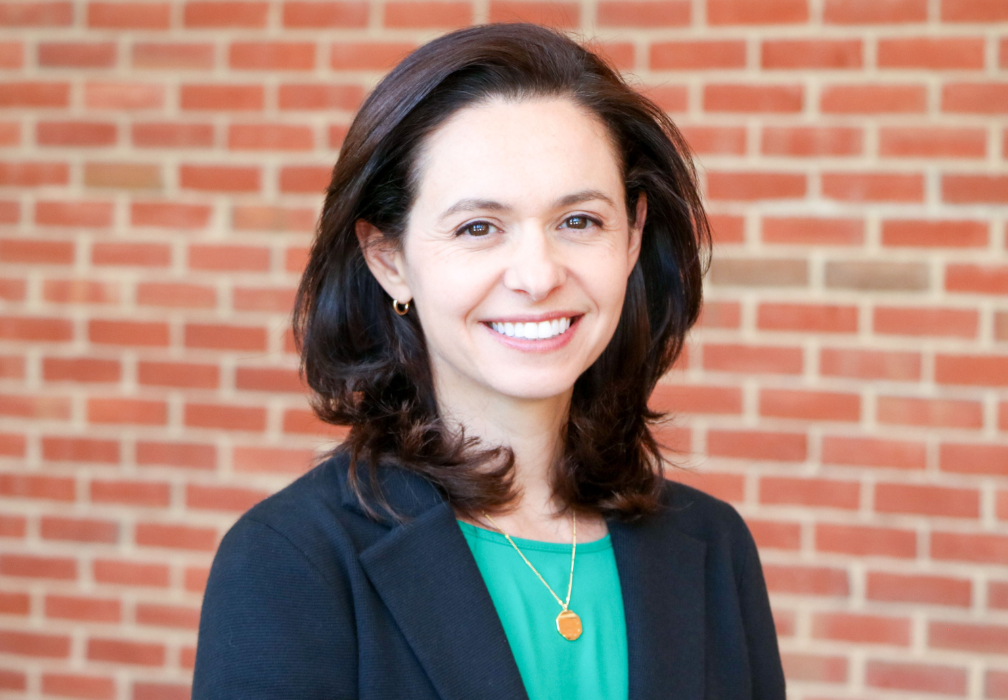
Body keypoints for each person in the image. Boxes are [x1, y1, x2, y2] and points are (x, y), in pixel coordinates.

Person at [192, 23, 785, 700]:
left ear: (631, 237)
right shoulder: (290, 561)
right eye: (479, 228)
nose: (537, 275)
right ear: (389, 260)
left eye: (579, 221)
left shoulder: (713, 547)